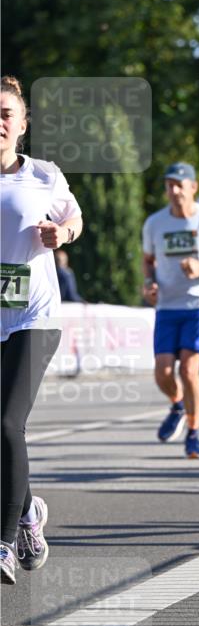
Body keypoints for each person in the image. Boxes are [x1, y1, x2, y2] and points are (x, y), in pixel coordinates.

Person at [1, 75, 83, 585]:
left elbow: (74, 220)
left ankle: (5, 541)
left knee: (7, 423)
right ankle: (29, 512)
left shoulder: (43, 175)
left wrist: (62, 232)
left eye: (6, 113)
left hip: (35, 314)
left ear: (22, 124)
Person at [142, 163, 199, 458]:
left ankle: (193, 432)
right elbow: (148, 260)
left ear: (193, 187)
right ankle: (177, 404)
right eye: (169, 185)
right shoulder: (155, 223)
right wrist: (149, 283)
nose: (174, 191)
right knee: (163, 372)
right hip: (167, 304)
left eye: (180, 185)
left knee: (190, 369)